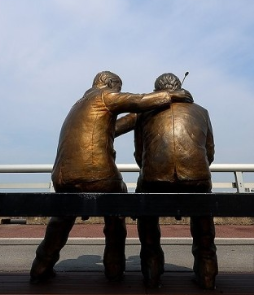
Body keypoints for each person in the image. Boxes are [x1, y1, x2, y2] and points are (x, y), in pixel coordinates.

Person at [30, 70, 192, 283]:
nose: (118, 92)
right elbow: (138, 100)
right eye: (118, 88)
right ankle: (114, 270)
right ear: (108, 83)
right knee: (117, 208)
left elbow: (112, 129)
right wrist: (171, 95)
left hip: (63, 177)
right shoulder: (104, 95)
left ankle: (41, 267)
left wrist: (139, 117)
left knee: (61, 219)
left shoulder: (80, 104)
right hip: (95, 175)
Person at [133, 73, 217, 289]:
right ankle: (207, 275)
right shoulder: (202, 112)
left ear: (157, 92)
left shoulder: (145, 113)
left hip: (154, 178)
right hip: (196, 178)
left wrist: (153, 171)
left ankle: (152, 274)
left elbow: (139, 154)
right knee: (203, 222)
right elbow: (209, 152)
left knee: (146, 211)